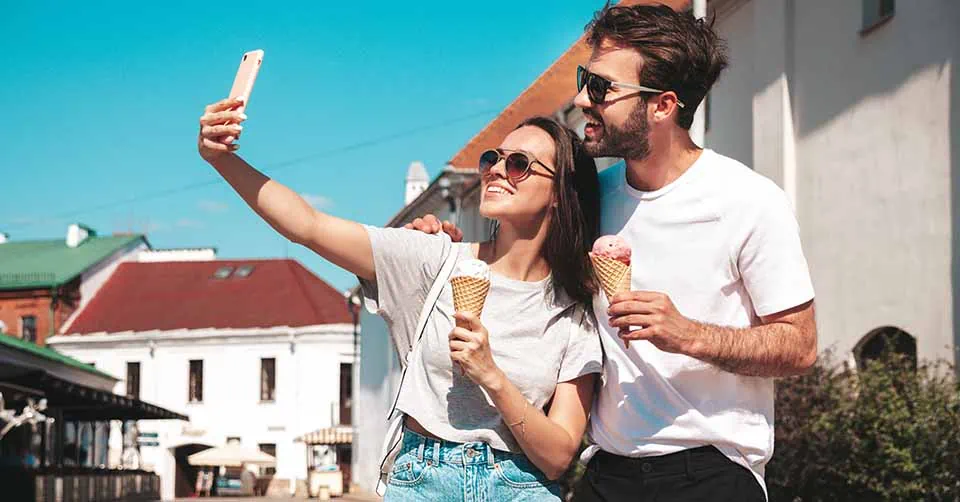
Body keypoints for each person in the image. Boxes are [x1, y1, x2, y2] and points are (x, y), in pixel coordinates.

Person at [409, 4, 818, 501]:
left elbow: (799, 347)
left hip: (712, 473)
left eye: (601, 88)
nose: (582, 99)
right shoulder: (591, 200)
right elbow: (524, 263)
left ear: (663, 105)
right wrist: (449, 245)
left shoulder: (749, 201)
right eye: (586, 79)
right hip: (607, 473)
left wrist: (688, 334)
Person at [197, 101, 603, 500]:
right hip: (423, 482)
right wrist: (222, 160)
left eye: (519, 164)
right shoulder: (433, 259)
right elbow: (308, 225)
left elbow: (559, 457)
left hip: (521, 487)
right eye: (492, 158)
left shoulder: (573, 311)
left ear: (558, 194)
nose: (496, 169)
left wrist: (491, 376)